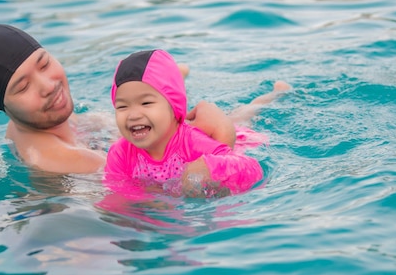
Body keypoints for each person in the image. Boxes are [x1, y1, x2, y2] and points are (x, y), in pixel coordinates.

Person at [0, 24, 235, 175]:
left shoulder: (34, 124)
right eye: (23, 87)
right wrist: (224, 137)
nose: (48, 86)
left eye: (44, 64)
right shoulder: (65, 160)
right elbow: (174, 182)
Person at [104, 49, 290, 198]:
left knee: (241, 117)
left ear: (173, 106)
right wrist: (151, 201)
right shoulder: (120, 153)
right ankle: (179, 75)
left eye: (146, 103)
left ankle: (275, 95)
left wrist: (208, 167)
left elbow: (252, 169)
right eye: (122, 106)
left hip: (233, 139)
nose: (133, 115)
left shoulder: (194, 143)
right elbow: (118, 193)